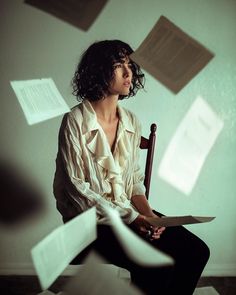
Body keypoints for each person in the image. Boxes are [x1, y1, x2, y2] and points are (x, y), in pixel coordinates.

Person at [53, 40, 210, 294]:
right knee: (154, 264)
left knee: (196, 251)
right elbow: (78, 192)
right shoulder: (75, 121)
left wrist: (151, 216)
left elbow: (134, 180)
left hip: (129, 215)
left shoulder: (131, 121)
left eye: (129, 65)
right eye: (118, 65)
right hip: (88, 225)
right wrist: (134, 218)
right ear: (99, 70)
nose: (129, 73)